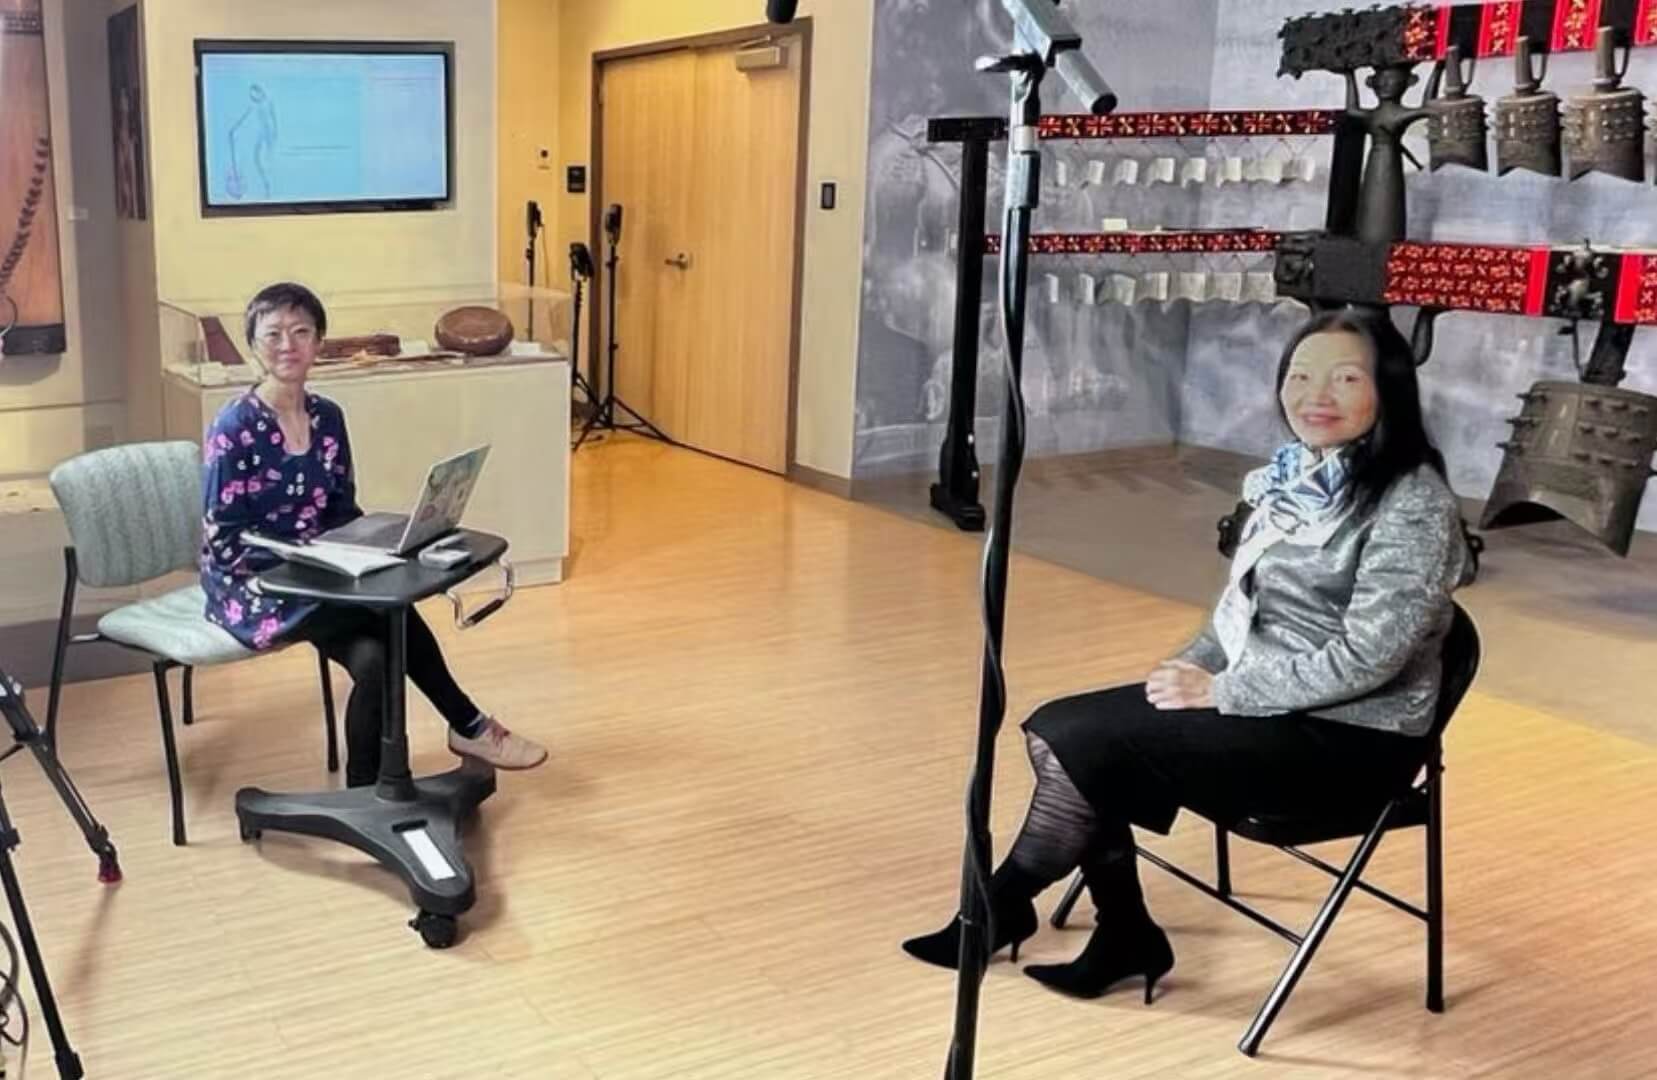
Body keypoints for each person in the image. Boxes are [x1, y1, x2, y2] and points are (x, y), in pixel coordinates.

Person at [901, 307, 1474, 1000]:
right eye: (1299, 376)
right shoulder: (1297, 479)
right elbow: (1244, 608)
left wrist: (1219, 691)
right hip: (1270, 703)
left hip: (1351, 740)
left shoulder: (1413, 503)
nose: (1314, 395)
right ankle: (1108, 928)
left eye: (1345, 378)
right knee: (1064, 730)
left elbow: (1368, 658)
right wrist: (1191, 664)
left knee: (1084, 744)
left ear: (1389, 390)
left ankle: (1009, 909)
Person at [199, 282, 547, 787]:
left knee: (378, 654)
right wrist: (304, 559)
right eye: (273, 334)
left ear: (319, 341)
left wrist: (372, 546)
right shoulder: (234, 426)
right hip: (257, 584)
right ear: (254, 344)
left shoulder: (328, 417)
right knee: (392, 623)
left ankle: (368, 792)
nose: (287, 345)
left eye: (301, 332)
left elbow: (342, 508)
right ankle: (464, 728)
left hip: (324, 573)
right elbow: (223, 537)